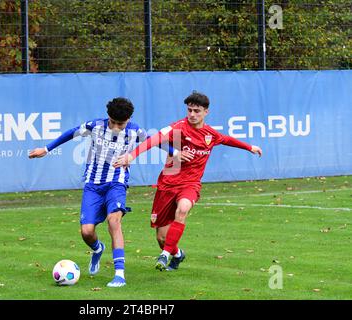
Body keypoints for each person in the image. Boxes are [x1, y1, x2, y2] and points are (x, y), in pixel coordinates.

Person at [28, 97, 181, 287]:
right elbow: (70, 133)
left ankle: (119, 275)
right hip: (92, 185)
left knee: (114, 221)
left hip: (117, 183)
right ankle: (97, 248)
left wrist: (176, 153)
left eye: (121, 123)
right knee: (86, 232)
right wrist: (45, 149)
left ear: (129, 119)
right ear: (108, 116)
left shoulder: (135, 130)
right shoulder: (95, 126)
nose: (117, 127)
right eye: (114, 122)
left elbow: (155, 142)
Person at [113, 91, 262, 271]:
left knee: (183, 209)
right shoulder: (178, 127)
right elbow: (153, 140)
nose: (192, 114)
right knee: (162, 238)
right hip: (167, 185)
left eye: (196, 111)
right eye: (189, 110)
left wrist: (250, 147)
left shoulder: (210, 135)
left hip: (190, 185)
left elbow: (226, 139)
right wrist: (131, 155)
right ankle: (176, 254)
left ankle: (165, 255)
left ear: (206, 112)